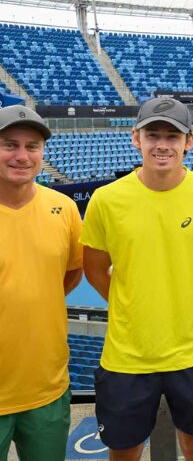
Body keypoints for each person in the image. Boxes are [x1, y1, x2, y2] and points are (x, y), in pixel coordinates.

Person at [81, 97, 193, 461]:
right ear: (136, 138)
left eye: (172, 135)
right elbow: (93, 268)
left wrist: (186, 298)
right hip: (126, 357)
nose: (162, 144)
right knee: (123, 451)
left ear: (189, 141)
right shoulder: (106, 200)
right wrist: (130, 301)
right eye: (153, 135)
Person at [0, 105, 82, 461]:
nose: (22, 155)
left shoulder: (63, 209)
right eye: (9, 145)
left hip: (46, 388)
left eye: (32, 146)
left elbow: (70, 273)